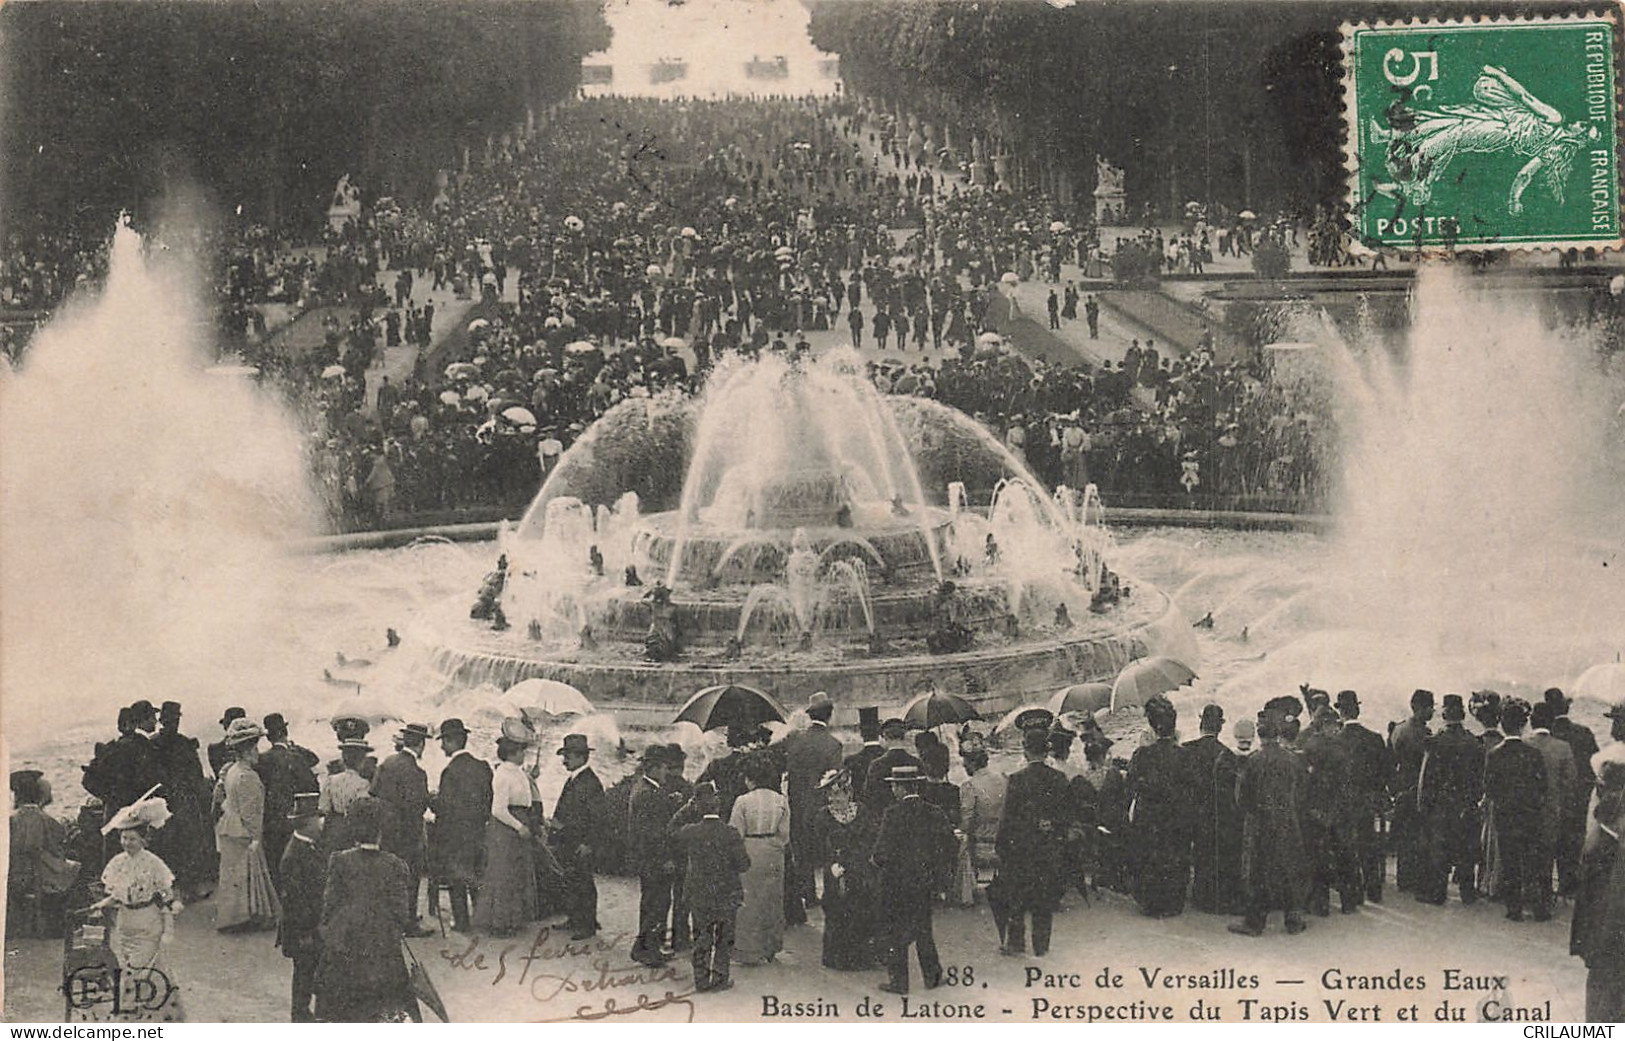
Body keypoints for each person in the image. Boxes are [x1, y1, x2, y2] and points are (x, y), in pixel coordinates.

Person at [314, 796, 419, 1022]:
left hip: (344, 940)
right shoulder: (395, 864)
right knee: (385, 1009)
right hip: (383, 944)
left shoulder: (340, 861)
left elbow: (329, 904)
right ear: (381, 830)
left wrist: (330, 931)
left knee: (341, 1009)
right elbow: (402, 912)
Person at [97, 795, 184, 1022]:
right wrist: (102, 903)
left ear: (143, 840)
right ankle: (162, 1014)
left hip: (148, 924)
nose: (127, 843)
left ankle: (129, 1017)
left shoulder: (154, 863)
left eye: (132, 839)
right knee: (136, 967)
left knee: (138, 970)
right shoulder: (117, 863)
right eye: (124, 838)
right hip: (125, 924)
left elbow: (167, 895)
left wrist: (169, 923)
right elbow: (116, 895)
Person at [872, 764, 956, 995]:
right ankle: (932, 975)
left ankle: (899, 981)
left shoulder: (892, 813)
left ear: (899, 787)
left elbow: (881, 853)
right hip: (924, 881)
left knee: (896, 932)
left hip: (896, 882)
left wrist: (878, 865)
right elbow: (950, 845)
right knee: (923, 929)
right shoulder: (934, 812)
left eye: (894, 786)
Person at [1230, 709, 1311, 936]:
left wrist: (1253, 813)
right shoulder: (1293, 759)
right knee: (1288, 868)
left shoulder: (1253, 761)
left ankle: (1254, 923)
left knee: (1258, 873)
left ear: (1259, 734)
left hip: (1261, 823)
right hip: (1287, 820)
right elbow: (1304, 791)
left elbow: (1241, 798)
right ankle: (1293, 920)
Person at [994, 728, 1073, 956]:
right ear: (1047, 751)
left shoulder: (1017, 779)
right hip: (1049, 849)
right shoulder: (1059, 779)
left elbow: (1007, 818)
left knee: (1017, 898)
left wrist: (1001, 847)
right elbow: (1068, 815)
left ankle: (1016, 943)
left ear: (1025, 751)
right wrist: (1052, 826)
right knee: (1043, 901)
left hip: (1022, 849)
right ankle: (1041, 947)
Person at [676, 783, 751, 993]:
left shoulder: (690, 831)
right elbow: (744, 865)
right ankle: (720, 978)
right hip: (726, 893)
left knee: (701, 936)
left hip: (698, 892)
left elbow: (671, 830)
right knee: (724, 937)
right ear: (718, 807)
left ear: (697, 806)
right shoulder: (731, 833)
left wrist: (686, 809)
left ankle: (701, 979)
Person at [776, 691, 844, 923]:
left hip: (797, 804)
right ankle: (825, 892)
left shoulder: (794, 738)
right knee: (825, 850)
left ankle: (807, 893)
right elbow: (835, 779)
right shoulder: (834, 744)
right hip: (821, 805)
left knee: (800, 849)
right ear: (829, 716)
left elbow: (776, 757)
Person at [1572, 746, 1625, 1020]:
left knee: (1604, 997)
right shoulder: (1608, 832)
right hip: (1607, 934)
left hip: (1608, 933)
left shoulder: (1607, 837)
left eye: (1600, 786)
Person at [1486, 698, 1551, 922]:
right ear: (1524, 725)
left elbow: (1490, 788)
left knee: (1510, 860)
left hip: (1505, 815)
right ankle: (1539, 909)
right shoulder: (1533, 754)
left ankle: (1514, 909)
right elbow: (1543, 787)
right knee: (1532, 861)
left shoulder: (1494, 754)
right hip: (1530, 814)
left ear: (1503, 725)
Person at [1416, 694, 1484, 906]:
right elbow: (1480, 778)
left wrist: (1423, 807)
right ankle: (1467, 893)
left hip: (1441, 806)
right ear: (1462, 714)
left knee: (1439, 850)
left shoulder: (1435, 742)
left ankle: (1438, 893)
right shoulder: (1473, 742)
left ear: (1444, 714)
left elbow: (1425, 780)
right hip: (1466, 804)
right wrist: (1473, 801)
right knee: (1465, 849)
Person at [214, 717, 281, 933]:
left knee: (233, 872)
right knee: (246, 870)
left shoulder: (232, 770)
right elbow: (252, 812)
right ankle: (249, 914)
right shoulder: (247, 776)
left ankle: (232, 916)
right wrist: (256, 836)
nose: (257, 752)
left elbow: (224, 800)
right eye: (254, 747)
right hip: (242, 827)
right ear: (246, 749)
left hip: (229, 825)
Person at [1128, 694, 1191, 917]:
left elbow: (1132, 785)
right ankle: (1174, 902)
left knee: (1152, 858)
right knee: (1176, 855)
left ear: (1152, 726)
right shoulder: (1184, 755)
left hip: (1150, 817)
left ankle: (1152, 903)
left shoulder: (1142, 754)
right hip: (1176, 816)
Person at [813, 768, 881, 970]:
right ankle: (839, 958)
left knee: (861, 909)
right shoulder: (823, 816)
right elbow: (817, 845)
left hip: (860, 869)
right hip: (835, 869)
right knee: (836, 910)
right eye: (831, 795)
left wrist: (860, 861)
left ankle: (861, 957)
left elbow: (872, 840)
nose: (834, 799)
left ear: (849, 793)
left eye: (838, 794)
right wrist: (831, 864)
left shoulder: (862, 812)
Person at [475, 729, 540, 937]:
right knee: (503, 874)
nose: (524, 755)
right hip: (505, 829)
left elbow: (527, 798)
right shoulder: (502, 774)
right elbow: (498, 810)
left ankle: (514, 919)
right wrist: (518, 826)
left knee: (517, 873)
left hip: (519, 824)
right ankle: (499, 922)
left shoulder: (519, 772)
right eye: (522, 751)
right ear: (512, 752)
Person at [371, 722, 433, 936]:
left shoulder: (387, 763)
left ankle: (387, 919)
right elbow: (419, 805)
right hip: (409, 832)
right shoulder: (417, 772)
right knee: (410, 878)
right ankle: (408, 923)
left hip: (386, 830)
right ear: (421, 745)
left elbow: (373, 793)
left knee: (387, 875)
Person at [430, 718, 492, 933]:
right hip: (478, 831)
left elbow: (445, 808)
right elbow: (488, 801)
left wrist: (432, 801)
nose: (441, 746)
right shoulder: (483, 767)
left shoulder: (450, 772)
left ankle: (462, 922)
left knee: (457, 879)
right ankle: (481, 916)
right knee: (476, 875)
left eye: (443, 741)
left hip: (455, 835)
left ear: (452, 741)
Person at [729, 752, 789, 966]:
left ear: (751, 778)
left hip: (750, 848)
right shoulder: (780, 800)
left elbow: (735, 831)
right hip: (773, 851)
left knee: (749, 901)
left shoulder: (743, 801)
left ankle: (748, 950)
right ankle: (770, 946)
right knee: (772, 900)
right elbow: (785, 833)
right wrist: (774, 846)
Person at [148, 701, 213, 900]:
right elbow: (196, 775)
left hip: (163, 800)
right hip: (182, 799)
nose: (174, 723)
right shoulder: (184, 743)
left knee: (166, 844)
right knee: (187, 842)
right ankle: (187, 889)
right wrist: (202, 799)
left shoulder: (152, 743)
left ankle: (167, 891)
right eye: (173, 719)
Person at [1333, 690, 1389, 904]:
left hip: (1344, 800)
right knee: (1368, 844)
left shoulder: (1336, 741)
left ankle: (1353, 895)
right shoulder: (1374, 738)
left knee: (1347, 847)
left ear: (1341, 713)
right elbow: (1385, 771)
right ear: (1358, 709)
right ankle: (1374, 891)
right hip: (1368, 799)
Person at [629, 745, 682, 966]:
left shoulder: (644, 789)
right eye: (663, 768)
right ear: (653, 768)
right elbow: (653, 833)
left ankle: (646, 947)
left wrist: (670, 801)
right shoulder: (648, 794)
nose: (666, 772)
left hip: (645, 858)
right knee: (658, 903)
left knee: (652, 901)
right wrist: (666, 858)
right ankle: (645, 949)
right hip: (655, 859)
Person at [1184, 704, 1240, 914]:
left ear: (1201, 724)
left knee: (1200, 852)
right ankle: (1216, 896)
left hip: (1194, 811)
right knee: (1216, 854)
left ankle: (1201, 895)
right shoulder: (1227, 754)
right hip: (1219, 814)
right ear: (1220, 728)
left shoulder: (1187, 749)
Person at [7, 769, 75, 939]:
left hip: (15, 871)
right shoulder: (45, 819)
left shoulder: (12, 819)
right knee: (75, 868)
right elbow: (56, 845)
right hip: (39, 873)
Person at [277, 792, 326, 1022]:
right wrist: (306, 932)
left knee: (309, 972)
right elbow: (294, 902)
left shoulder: (307, 846)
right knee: (304, 974)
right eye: (318, 819)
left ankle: (304, 1014)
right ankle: (300, 1016)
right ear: (307, 823)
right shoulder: (294, 856)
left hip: (310, 926)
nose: (321, 823)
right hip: (302, 930)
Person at [552, 732, 605, 940]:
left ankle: (588, 924)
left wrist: (588, 843)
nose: (564, 761)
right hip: (569, 840)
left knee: (584, 882)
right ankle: (574, 918)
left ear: (581, 757)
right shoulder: (575, 779)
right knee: (572, 880)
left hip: (581, 843)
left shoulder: (590, 783)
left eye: (568, 756)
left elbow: (598, 818)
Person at [257, 713, 320, 889]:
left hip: (269, 820)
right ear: (286, 731)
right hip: (292, 818)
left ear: (269, 738)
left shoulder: (262, 760)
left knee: (273, 863)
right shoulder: (296, 756)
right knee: (290, 865)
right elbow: (312, 780)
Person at [1548, 687, 1599, 896]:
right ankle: (1568, 886)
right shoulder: (1583, 732)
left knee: (1548, 842)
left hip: (1551, 799)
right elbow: (1594, 766)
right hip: (1577, 798)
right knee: (1572, 841)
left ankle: (1546, 886)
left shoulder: (1548, 733)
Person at [1529, 703, 1578, 909]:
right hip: (1551, 808)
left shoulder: (1524, 743)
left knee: (1527, 851)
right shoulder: (1563, 747)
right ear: (1552, 723)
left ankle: (1526, 894)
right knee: (1547, 854)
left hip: (1526, 808)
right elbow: (1571, 782)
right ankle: (1544, 898)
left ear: (1532, 721)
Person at [1389, 689, 1434, 894]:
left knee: (1405, 836)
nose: (1432, 711)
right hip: (1417, 789)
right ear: (1419, 707)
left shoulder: (1398, 729)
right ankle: (1414, 879)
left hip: (1401, 789)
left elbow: (1390, 762)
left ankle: (1404, 878)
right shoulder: (1422, 733)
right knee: (1417, 835)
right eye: (1429, 707)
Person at [321, 733, 374, 855]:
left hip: (333, 829)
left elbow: (324, 808)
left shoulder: (331, 780)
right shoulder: (363, 784)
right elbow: (363, 812)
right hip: (352, 831)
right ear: (361, 761)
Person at [863, 717, 921, 815]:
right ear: (904, 736)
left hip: (886, 819)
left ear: (885, 737)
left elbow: (869, 798)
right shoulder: (917, 763)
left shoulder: (876, 765)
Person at [844, 707, 885, 806]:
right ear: (879, 731)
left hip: (862, 813)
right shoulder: (887, 756)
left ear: (861, 733)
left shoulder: (851, 761)